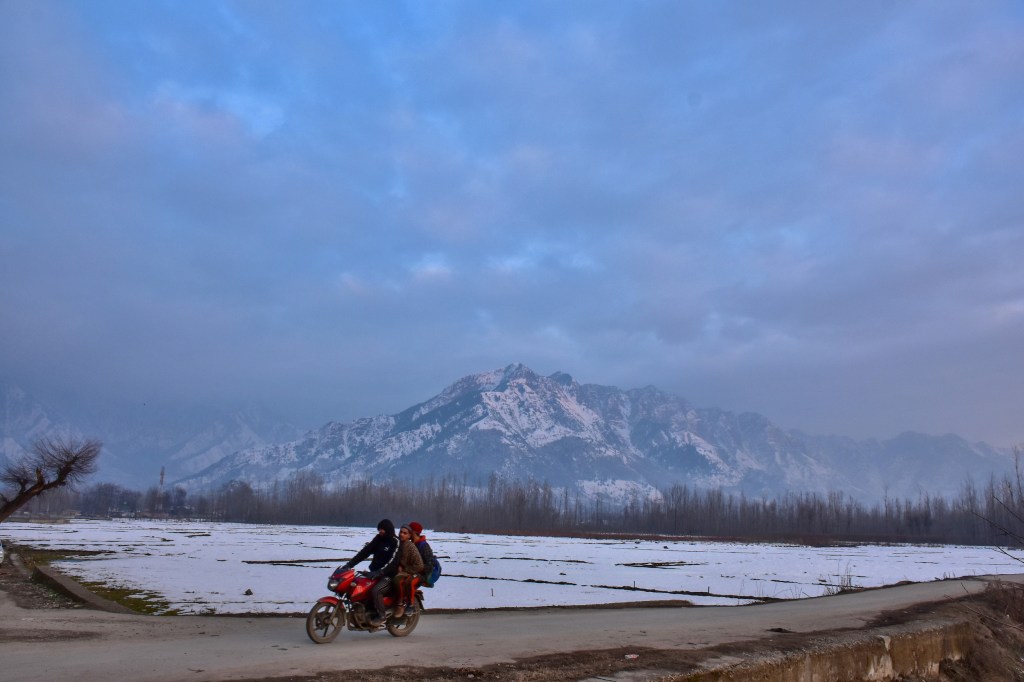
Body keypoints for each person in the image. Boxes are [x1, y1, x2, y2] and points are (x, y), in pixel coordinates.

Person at [341, 518, 400, 626]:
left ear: (388, 530)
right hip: (374, 573)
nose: (380, 531)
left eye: (383, 529)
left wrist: (380, 572)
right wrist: (349, 564)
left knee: (376, 591)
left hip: (388, 575)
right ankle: (364, 613)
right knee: (358, 586)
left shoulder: (395, 542)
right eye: (379, 529)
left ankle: (382, 616)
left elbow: (393, 561)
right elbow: (365, 552)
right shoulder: (378, 539)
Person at [391, 524, 424, 618]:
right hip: (406, 570)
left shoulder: (410, 547)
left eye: (405, 533)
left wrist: (405, 569)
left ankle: (402, 604)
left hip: (414, 572)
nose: (402, 534)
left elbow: (420, 565)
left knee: (398, 580)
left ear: (409, 535)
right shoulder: (400, 544)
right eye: (401, 532)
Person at [409, 521, 436, 590]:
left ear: (414, 532)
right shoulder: (411, 544)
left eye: (410, 531)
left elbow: (430, 566)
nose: (408, 532)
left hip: (421, 575)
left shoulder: (424, 546)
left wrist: (417, 568)